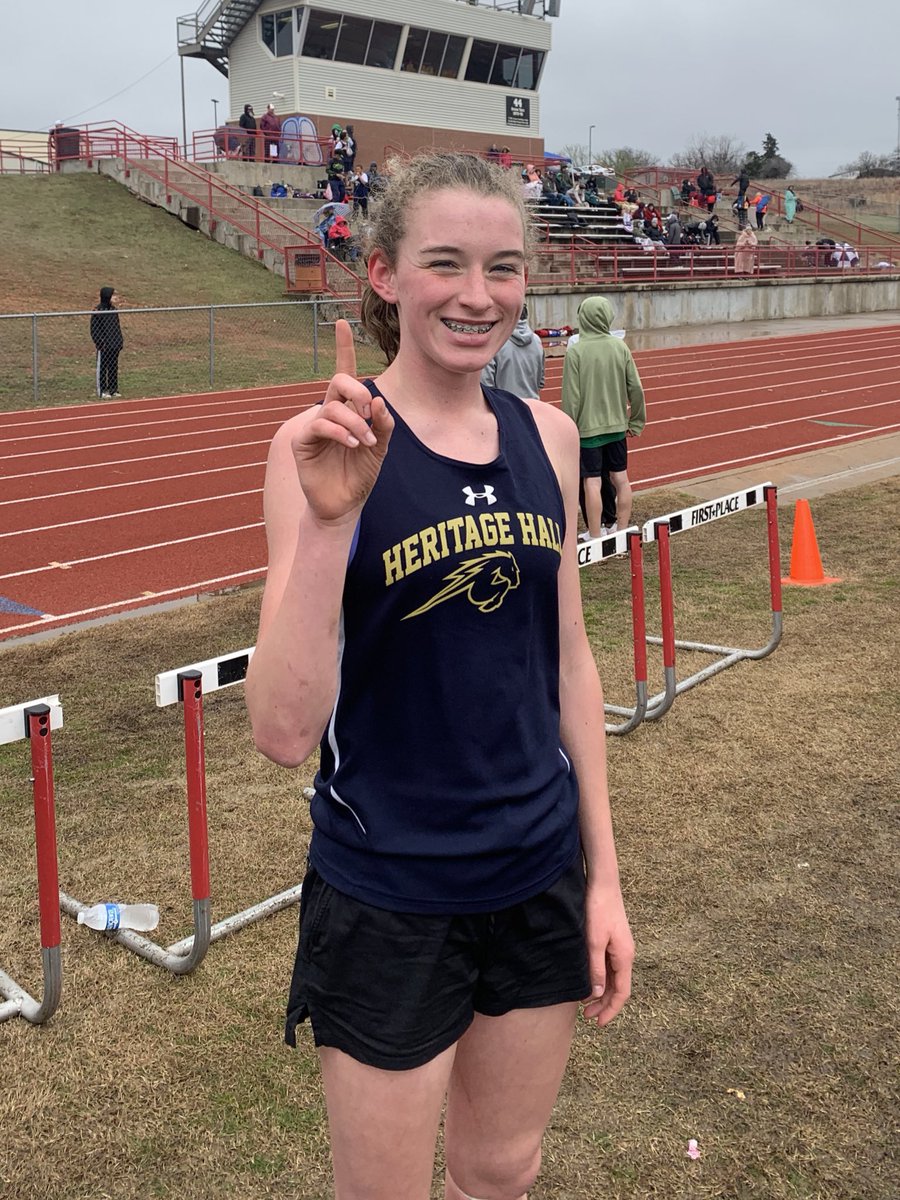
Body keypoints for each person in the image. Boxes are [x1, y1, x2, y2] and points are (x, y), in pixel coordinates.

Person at [244, 152, 634, 1200]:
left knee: (502, 1170)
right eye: (445, 264)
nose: (477, 295)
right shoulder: (318, 447)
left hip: (537, 873)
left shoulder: (546, 437)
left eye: (503, 268)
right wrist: (333, 523)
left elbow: (570, 663)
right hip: (391, 892)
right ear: (383, 275)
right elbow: (283, 732)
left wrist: (603, 877)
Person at [561, 295, 645, 539]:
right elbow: (636, 388)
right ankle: (621, 529)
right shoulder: (620, 347)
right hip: (617, 426)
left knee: (592, 482)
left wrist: (569, 431)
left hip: (587, 431)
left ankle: (595, 535)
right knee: (621, 478)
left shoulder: (575, 353)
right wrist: (636, 421)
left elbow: (571, 398)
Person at [480, 304, 545, 399]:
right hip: (532, 407)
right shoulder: (537, 341)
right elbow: (541, 382)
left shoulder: (496, 342)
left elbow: (486, 384)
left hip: (504, 408)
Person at [90, 286, 124, 398]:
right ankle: (102, 390)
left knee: (113, 367)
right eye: (114, 295)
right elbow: (94, 330)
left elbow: (116, 327)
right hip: (104, 347)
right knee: (103, 368)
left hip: (114, 345)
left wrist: (119, 341)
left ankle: (113, 389)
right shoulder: (98, 311)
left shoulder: (113, 310)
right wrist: (100, 343)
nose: (116, 297)